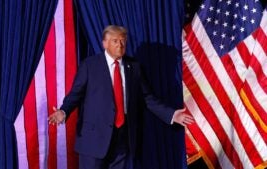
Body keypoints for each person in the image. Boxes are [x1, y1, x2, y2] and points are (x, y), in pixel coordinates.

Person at [48, 25, 194, 169]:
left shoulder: (134, 67)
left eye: (123, 41)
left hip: (123, 140)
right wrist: (64, 111)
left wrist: (172, 115)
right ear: (104, 43)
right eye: (115, 41)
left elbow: (147, 98)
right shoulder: (90, 65)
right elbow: (75, 94)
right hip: (93, 140)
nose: (120, 45)